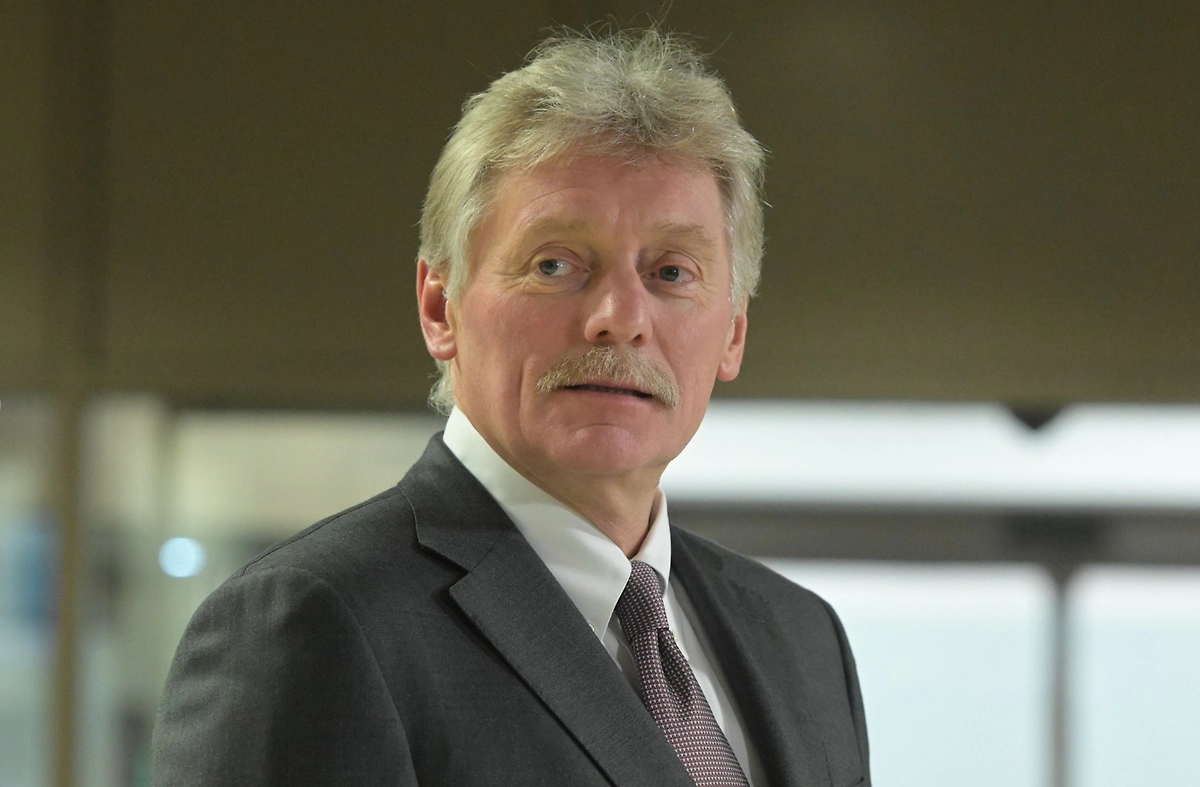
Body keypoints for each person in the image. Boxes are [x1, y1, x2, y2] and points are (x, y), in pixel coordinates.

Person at [152, 28, 870, 787]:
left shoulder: (802, 638)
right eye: (555, 264)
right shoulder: (314, 622)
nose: (619, 318)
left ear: (734, 333)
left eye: (670, 272)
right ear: (440, 307)